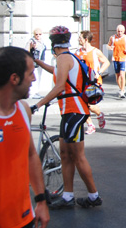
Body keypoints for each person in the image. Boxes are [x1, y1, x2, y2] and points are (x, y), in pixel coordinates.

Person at [0, 46, 50, 228]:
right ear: (14, 79)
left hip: (24, 223)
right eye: (31, 73)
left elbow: (31, 155)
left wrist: (41, 200)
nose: (34, 78)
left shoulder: (24, 110)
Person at [33, 26, 102, 209]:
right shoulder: (66, 58)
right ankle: (68, 196)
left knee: (77, 156)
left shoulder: (64, 58)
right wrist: (38, 62)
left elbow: (59, 86)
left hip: (75, 111)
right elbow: (56, 73)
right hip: (69, 112)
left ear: (53, 43)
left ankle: (94, 196)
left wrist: (37, 105)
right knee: (64, 154)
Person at [76, 31, 110, 135]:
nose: (78, 40)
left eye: (80, 38)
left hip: (94, 81)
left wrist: (99, 73)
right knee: (82, 104)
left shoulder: (95, 51)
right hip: (82, 82)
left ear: (86, 39)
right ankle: (90, 125)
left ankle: (99, 115)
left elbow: (106, 62)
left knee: (90, 105)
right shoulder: (78, 52)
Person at [107, 24, 126, 98]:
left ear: (124, 31)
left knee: (122, 75)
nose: (120, 33)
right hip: (115, 58)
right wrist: (110, 47)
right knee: (117, 76)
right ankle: (121, 88)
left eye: (121, 31)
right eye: (118, 31)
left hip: (124, 58)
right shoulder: (112, 37)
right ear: (116, 31)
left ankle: (122, 91)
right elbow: (108, 45)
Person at [27, 27, 47, 99]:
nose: (38, 36)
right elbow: (27, 51)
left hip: (40, 61)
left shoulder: (42, 41)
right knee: (34, 77)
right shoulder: (31, 41)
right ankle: (32, 93)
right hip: (34, 62)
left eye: (40, 34)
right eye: (36, 34)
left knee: (39, 76)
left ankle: (37, 91)